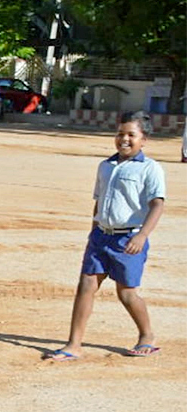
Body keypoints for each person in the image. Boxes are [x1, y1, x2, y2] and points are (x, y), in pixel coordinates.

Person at [44, 111, 166, 361]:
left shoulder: (150, 168)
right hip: (101, 236)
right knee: (86, 285)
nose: (124, 139)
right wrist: (93, 232)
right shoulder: (105, 166)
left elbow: (157, 205)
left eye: (131, 135)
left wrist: (142, 236)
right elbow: (99, 204)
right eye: (120, 133)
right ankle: (73, 344)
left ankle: (147, 336)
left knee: (127, 293)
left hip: (128, 239)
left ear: (144, 139)